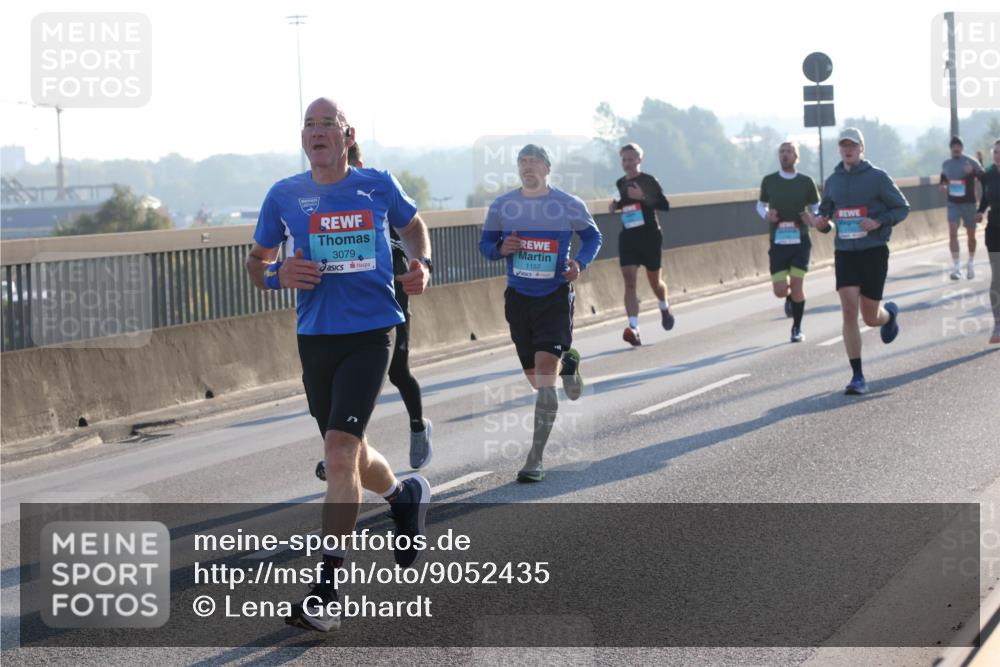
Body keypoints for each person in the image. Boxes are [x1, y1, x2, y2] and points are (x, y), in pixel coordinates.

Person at [245, 98, 433, 632]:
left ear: (347, 135)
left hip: (373, 332)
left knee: (338, 450)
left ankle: (326, 591)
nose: (317, 131)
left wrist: (420, 263)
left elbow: (415, 227)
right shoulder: (283, 195)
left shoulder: (377, 184)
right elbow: (256, 265)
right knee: (347, 451)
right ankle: (403, 495)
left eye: (327, 124)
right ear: (302, 138)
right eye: (309, 124)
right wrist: (280, 273)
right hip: (315, 337)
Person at [479, 144, 602, 482]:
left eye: (534, 162)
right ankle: (570, 363)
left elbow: (593, 237)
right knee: (537, 381)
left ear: (548, 169)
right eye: (522, 162)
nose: (528, 167)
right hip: (519, 299)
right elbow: (486, 245)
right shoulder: (503, 205)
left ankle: (535, 459)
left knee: (545, 378)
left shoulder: (566, 204)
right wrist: (501, 248)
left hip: (554, 298)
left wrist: (579, 262)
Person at [315, 142, 432, 481]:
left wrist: (419, 265)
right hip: (343, 317)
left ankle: (417, 426)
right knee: (346, 385)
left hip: (390, 303)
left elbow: (413, 229)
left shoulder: (378, 194)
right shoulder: (322, 205)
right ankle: (341, 449)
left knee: (397, 373)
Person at [816, 127, 910, 395]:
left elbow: (902, 208)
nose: (848, 149)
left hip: (873, 251)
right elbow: (826, 217)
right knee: (848, 310)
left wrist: (878, 221)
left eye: (853, 145)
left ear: (861, 148)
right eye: (844, 145)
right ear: (840, 149)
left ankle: (889, 314)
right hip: (845, 252)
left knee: (870, 317)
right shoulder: (833, 180)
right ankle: (857, 375)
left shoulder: (877, 178)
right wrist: (820, 223)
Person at [756, 141, 823, 342]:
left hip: (800, 241)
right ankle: (788, 298)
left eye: (789, 152)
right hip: (778, 241)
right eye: (782, 152)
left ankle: (796, 328)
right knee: (779, 290)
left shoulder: (806, 181)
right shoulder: (769, 181)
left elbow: (817, 206)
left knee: (797, 285)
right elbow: (760, 206)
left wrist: (812, 216)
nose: (785, 155)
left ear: (796, 157)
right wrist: (768, 215)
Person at [608, 143, 674, 346]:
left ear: (639, 160)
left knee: (655, 282)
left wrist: (643, 197)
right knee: (629, 281)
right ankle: (634, 328)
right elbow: (625, 203)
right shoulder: (620, 182)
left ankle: (663, 305)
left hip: (650, 236)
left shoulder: (648, 180)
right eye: (624, 160)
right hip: (628, 236)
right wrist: (616, 205)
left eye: (631, 159)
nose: (627, 163)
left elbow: (665, 205)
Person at [940, 136, 984, 280]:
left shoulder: (971, 161)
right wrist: (943, 185)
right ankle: (957, 267)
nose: (956, 149)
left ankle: (970, 263)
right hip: (953, 204)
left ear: (962, 148)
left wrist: (972, 171)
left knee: (971, 236)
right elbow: (943, 178)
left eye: (959, 147)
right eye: (954, 147)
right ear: (951, 149)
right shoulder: (946, 164)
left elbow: (983, 176)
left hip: (969, 204)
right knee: (952, 233)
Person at [975, 139, 1000, 344]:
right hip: (994, 230)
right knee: (997, 278)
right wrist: (980, 211)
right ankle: (998, 324)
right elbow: (985, 198)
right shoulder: (988, 175)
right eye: (996, 152)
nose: (998, 155)